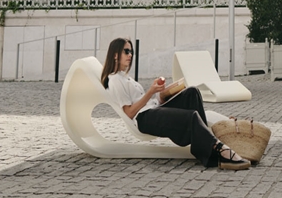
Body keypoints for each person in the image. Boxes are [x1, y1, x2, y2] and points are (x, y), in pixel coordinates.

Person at [100, 37, 249, 170]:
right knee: (191, 116)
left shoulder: (126, 78)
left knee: (192, 92)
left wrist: (163, 93)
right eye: (126, 51)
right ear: (115, 54)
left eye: (131, 51)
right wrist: (150, 92)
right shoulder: (115, 80)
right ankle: (217, 150)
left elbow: (148, 101)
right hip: (144, 118)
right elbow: (129, 113)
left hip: (153, 109)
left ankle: (208, 141)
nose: (130, 55)